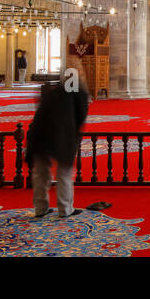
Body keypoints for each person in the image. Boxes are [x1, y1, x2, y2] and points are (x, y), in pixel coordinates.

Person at [26, 56, 91, 219]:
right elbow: (80, 117)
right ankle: (65, 208)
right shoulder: (79, 92)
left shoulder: (52, 90)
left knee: (41, 173)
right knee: (64, 172)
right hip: (62, 136)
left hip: (39, 135)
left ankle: (40, 208)